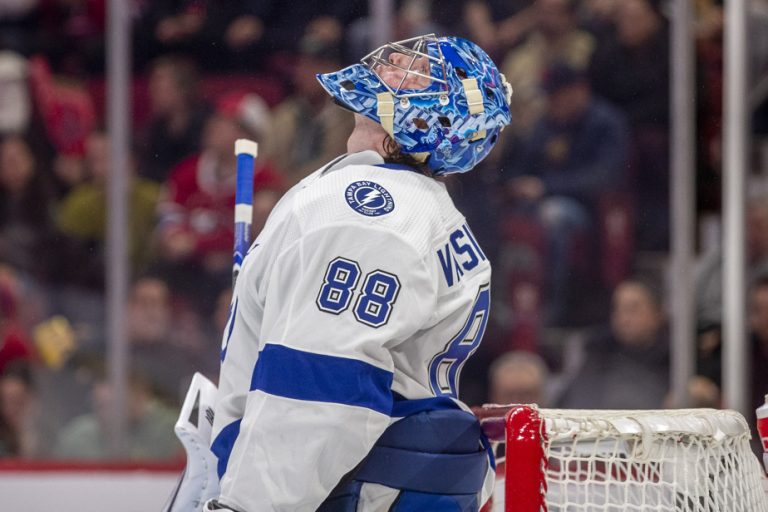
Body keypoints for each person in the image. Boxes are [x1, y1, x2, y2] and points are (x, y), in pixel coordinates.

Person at [205, 34, 512, 511]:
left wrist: (250, 505)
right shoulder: (420, 208)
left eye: (414, 73)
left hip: (355, 492)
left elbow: (323, 388)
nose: (392, 61)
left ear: (424, 120)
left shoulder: (368, 213)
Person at [558, 277, 670, 409]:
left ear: (657, 314)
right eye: (618, 309)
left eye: (632, 310)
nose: (623, 319)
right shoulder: (598, 352)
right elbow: (572, 402)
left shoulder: (676, 358)